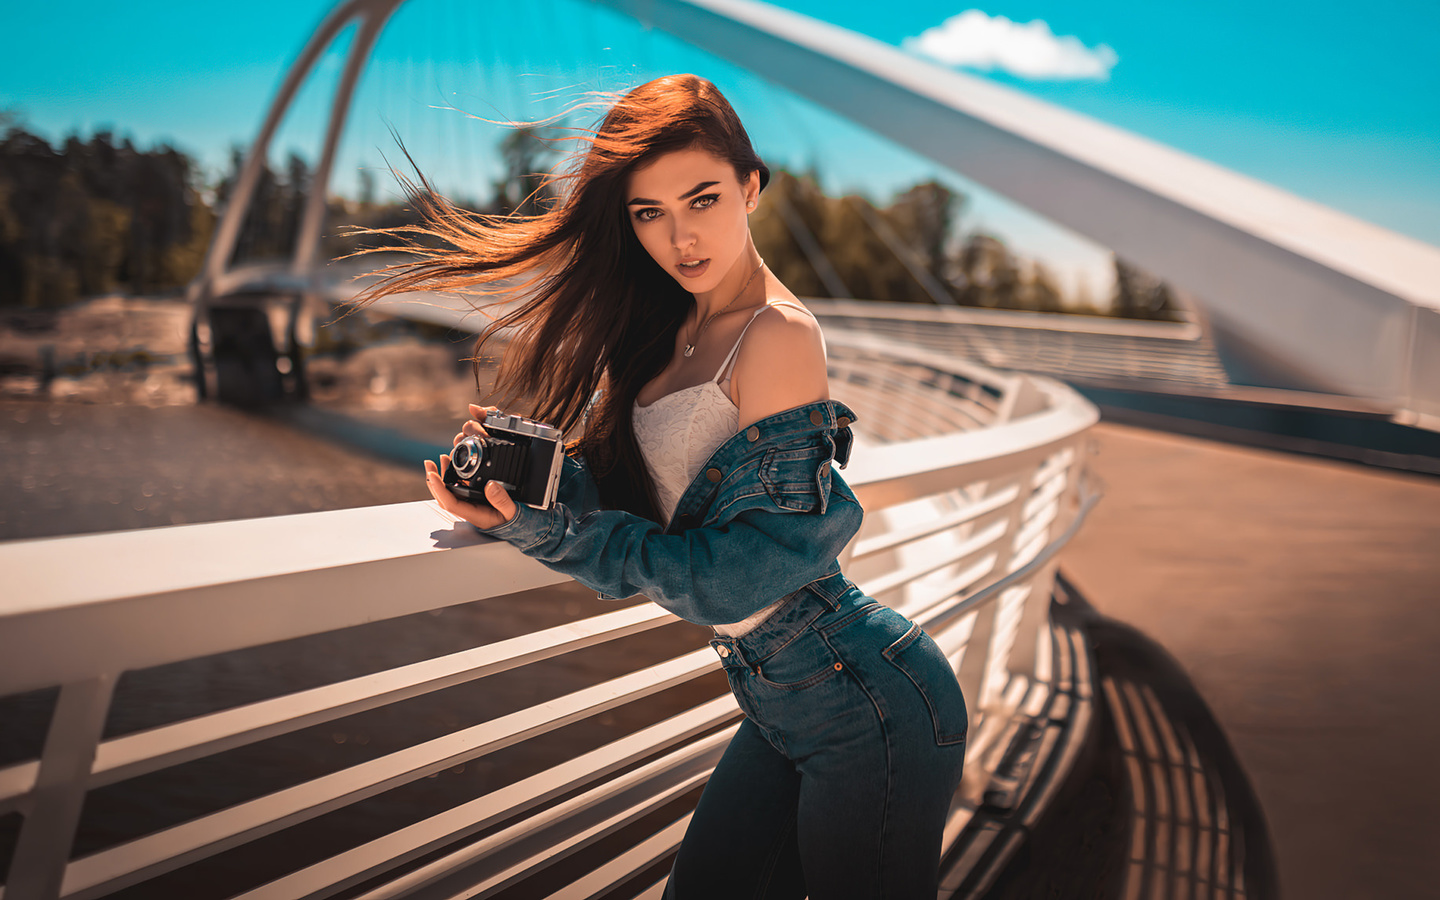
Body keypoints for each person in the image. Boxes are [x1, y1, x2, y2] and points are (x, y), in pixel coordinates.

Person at [359, 74, 967, 899]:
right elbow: (632, 498)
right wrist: (520, 484)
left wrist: (557, 534)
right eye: (650, 213)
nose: (680, 237)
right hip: (777, 696)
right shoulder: (668, 326)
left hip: (869, 700)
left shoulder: (777, 335)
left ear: (750, 187)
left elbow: (734, 576)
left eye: (703, 199)